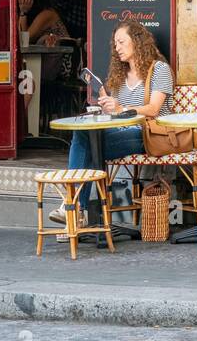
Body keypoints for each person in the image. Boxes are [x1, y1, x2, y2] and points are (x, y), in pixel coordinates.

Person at [54, 22, 173, 230]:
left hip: (147, 132)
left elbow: (153, 109)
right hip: (122, 130)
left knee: (88, 144)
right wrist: (108, 105)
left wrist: (121, 107)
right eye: (115, 43)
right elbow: (117, 113)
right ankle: (76, 209)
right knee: (85, 136)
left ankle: (73, 208)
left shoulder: (159, 69)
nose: (117, 47)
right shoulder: (120, 75)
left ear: (137, 42)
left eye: (121, 42)